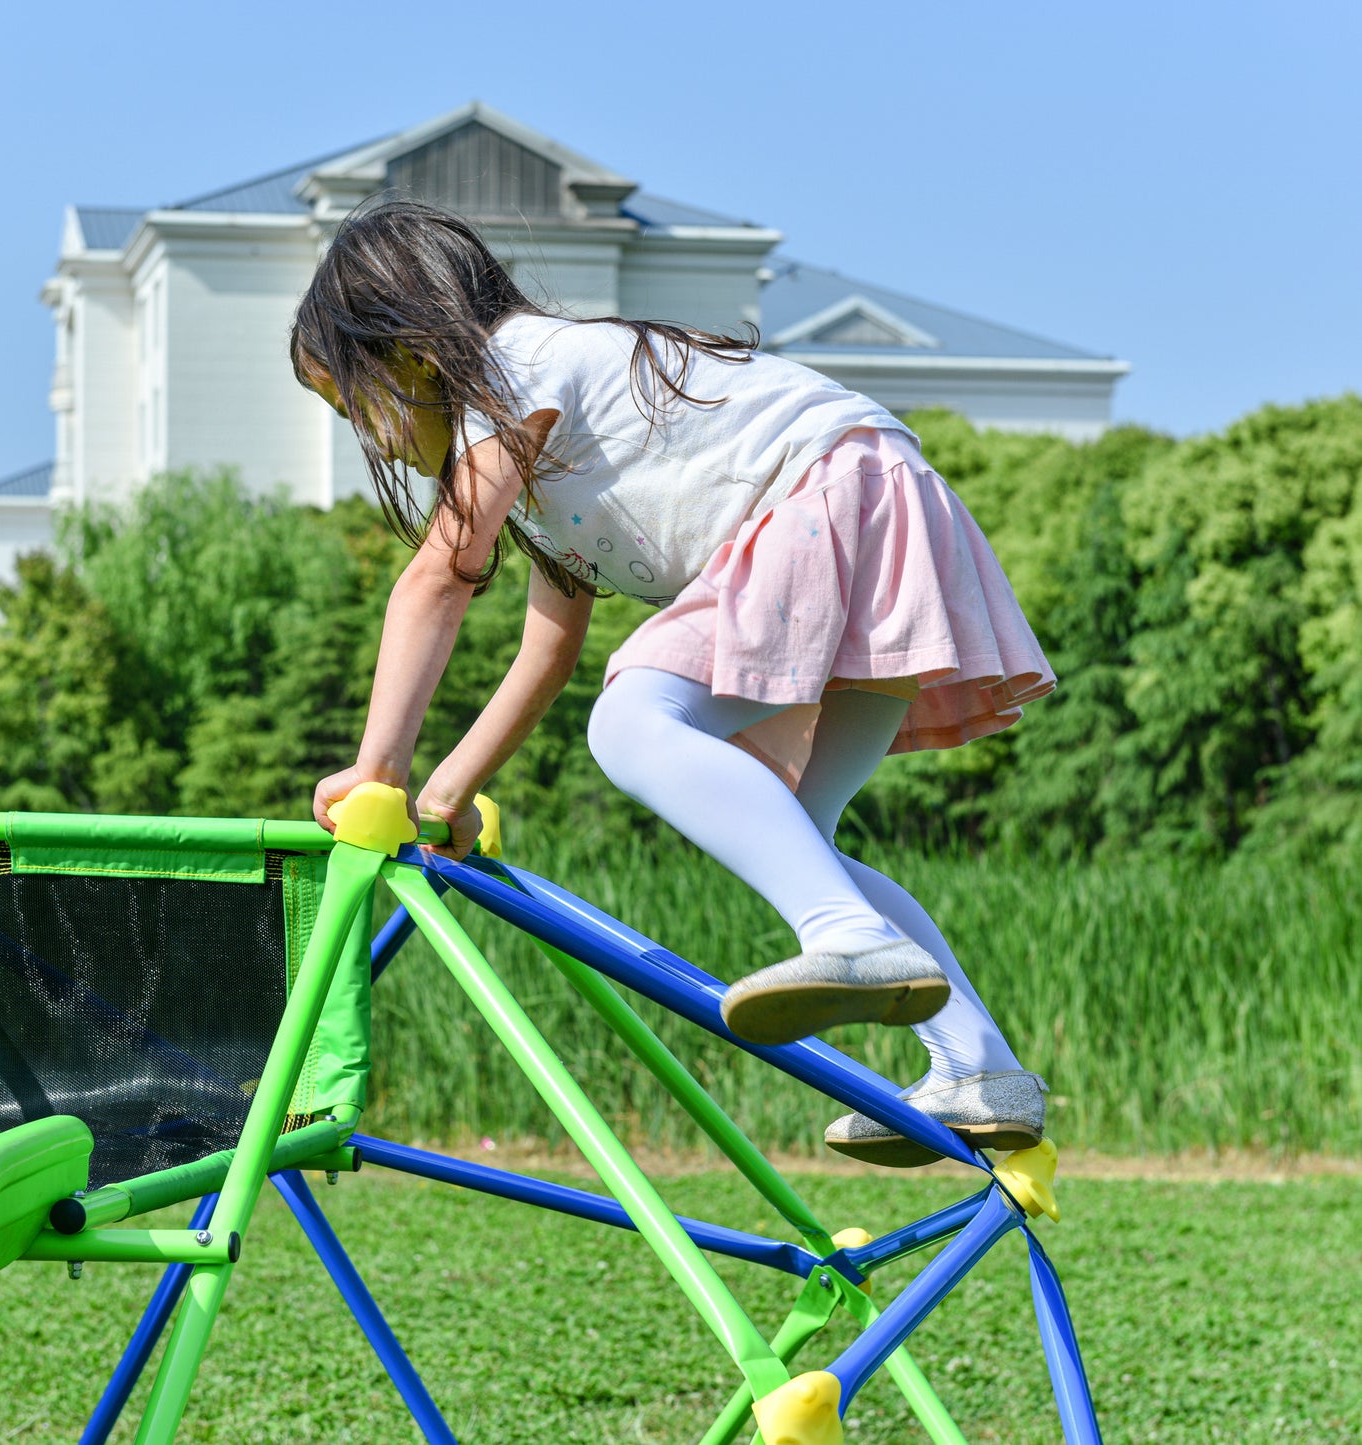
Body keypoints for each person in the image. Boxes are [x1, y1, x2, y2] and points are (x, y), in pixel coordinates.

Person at [292, 197, 1054, 1166]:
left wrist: (376, 771)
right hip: (883, 497)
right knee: (798, 831)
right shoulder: (543, 457)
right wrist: (443, 794)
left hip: (824, 491)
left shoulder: (516, 366)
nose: (370, 434)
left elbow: (439, 574)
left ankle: (842, 934)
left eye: (352, 402)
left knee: (632, 721)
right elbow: (545, 650)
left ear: (407, 353)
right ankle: (980, 1068)